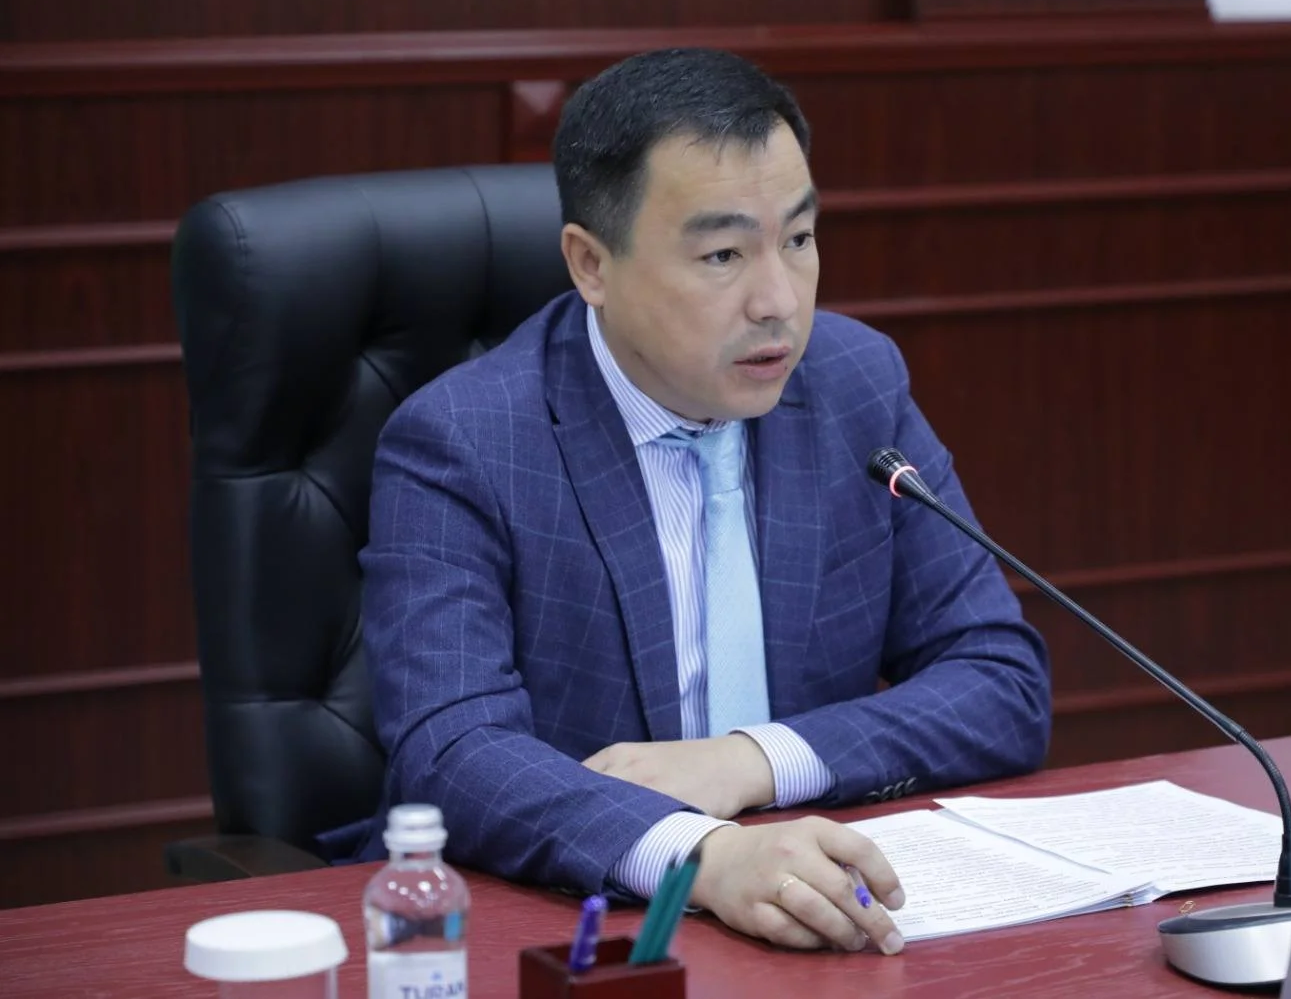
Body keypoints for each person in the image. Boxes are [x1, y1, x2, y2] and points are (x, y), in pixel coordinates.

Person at [334, 47, 1051, 956]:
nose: (778, 300)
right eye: (722, 254)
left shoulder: (855, 385)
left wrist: (750, 761)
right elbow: (452, 751)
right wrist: (700, 854)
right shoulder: (465, 441)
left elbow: (1000, 682)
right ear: (591, 265)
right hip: (581, 933)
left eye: (799, 239)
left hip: (821, 915)